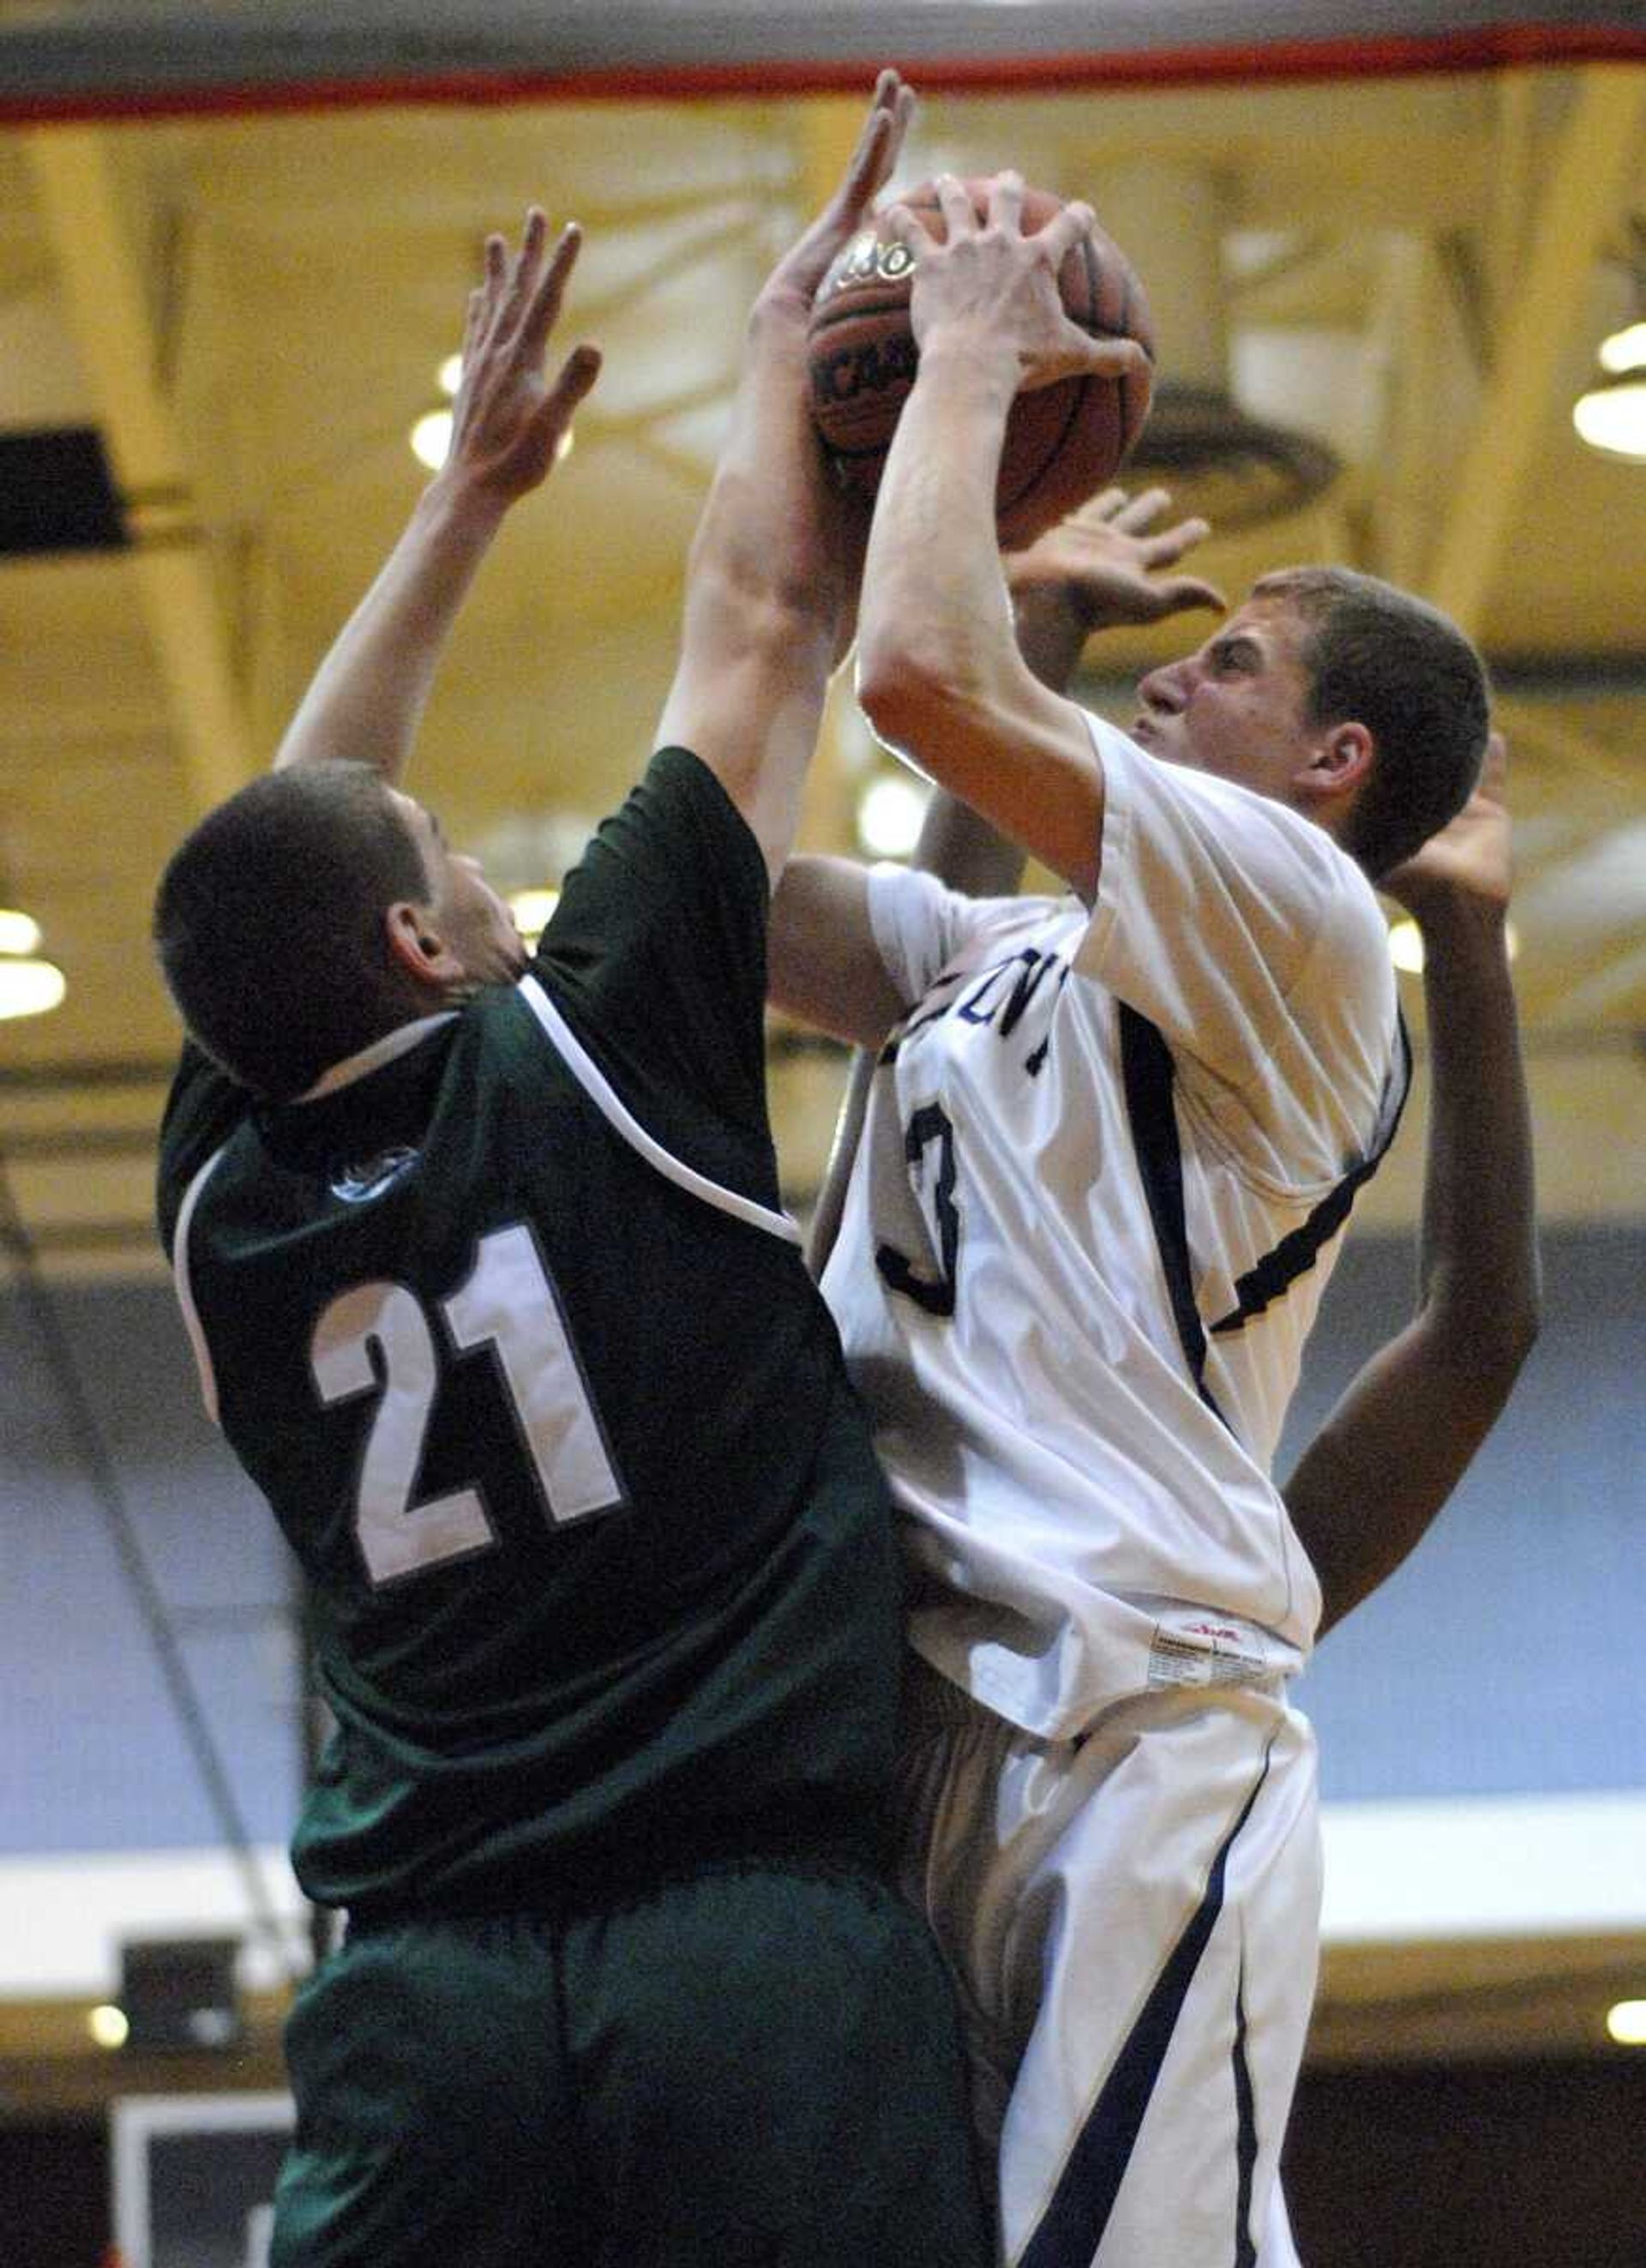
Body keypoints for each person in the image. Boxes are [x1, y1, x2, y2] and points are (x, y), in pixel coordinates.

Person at [148, 74, 1022, 2268]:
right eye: (455, 861)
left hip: (419, 1992)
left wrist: (459, 506)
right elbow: (758, 622)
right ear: (429, 944)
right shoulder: (595, 1045)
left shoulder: (220, 1201)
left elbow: (284, 849)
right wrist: (782, 344)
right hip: (741, 1945)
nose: (486, 872)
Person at [766, 173, 1519, 2268]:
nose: (1182, 682)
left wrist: (977, 360)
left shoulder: (1295, 918)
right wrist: (787, 477)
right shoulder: (1002, 952)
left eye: (1242, 665)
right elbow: (711, 901)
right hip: (915, 1722)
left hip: (1131, 1736)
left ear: (1334, 765)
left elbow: (928, 677)